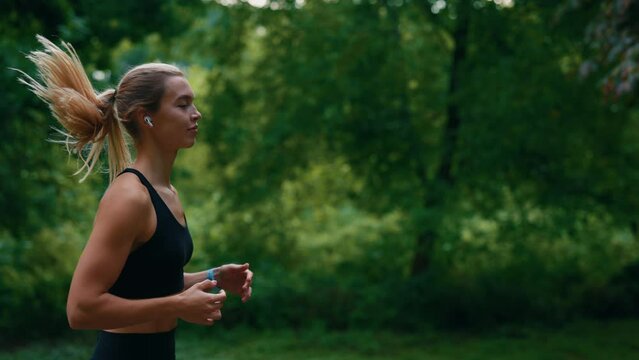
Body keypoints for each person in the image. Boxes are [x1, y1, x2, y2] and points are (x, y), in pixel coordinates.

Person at [17, 35, 253, 360]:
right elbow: (81, 309)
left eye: (193, 103)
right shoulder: (129, 197)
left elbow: (147, 283)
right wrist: (178, 306)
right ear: (147, 117)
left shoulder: (166, 192)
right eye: (183, 105)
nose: (196, 114)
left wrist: (213, 276)